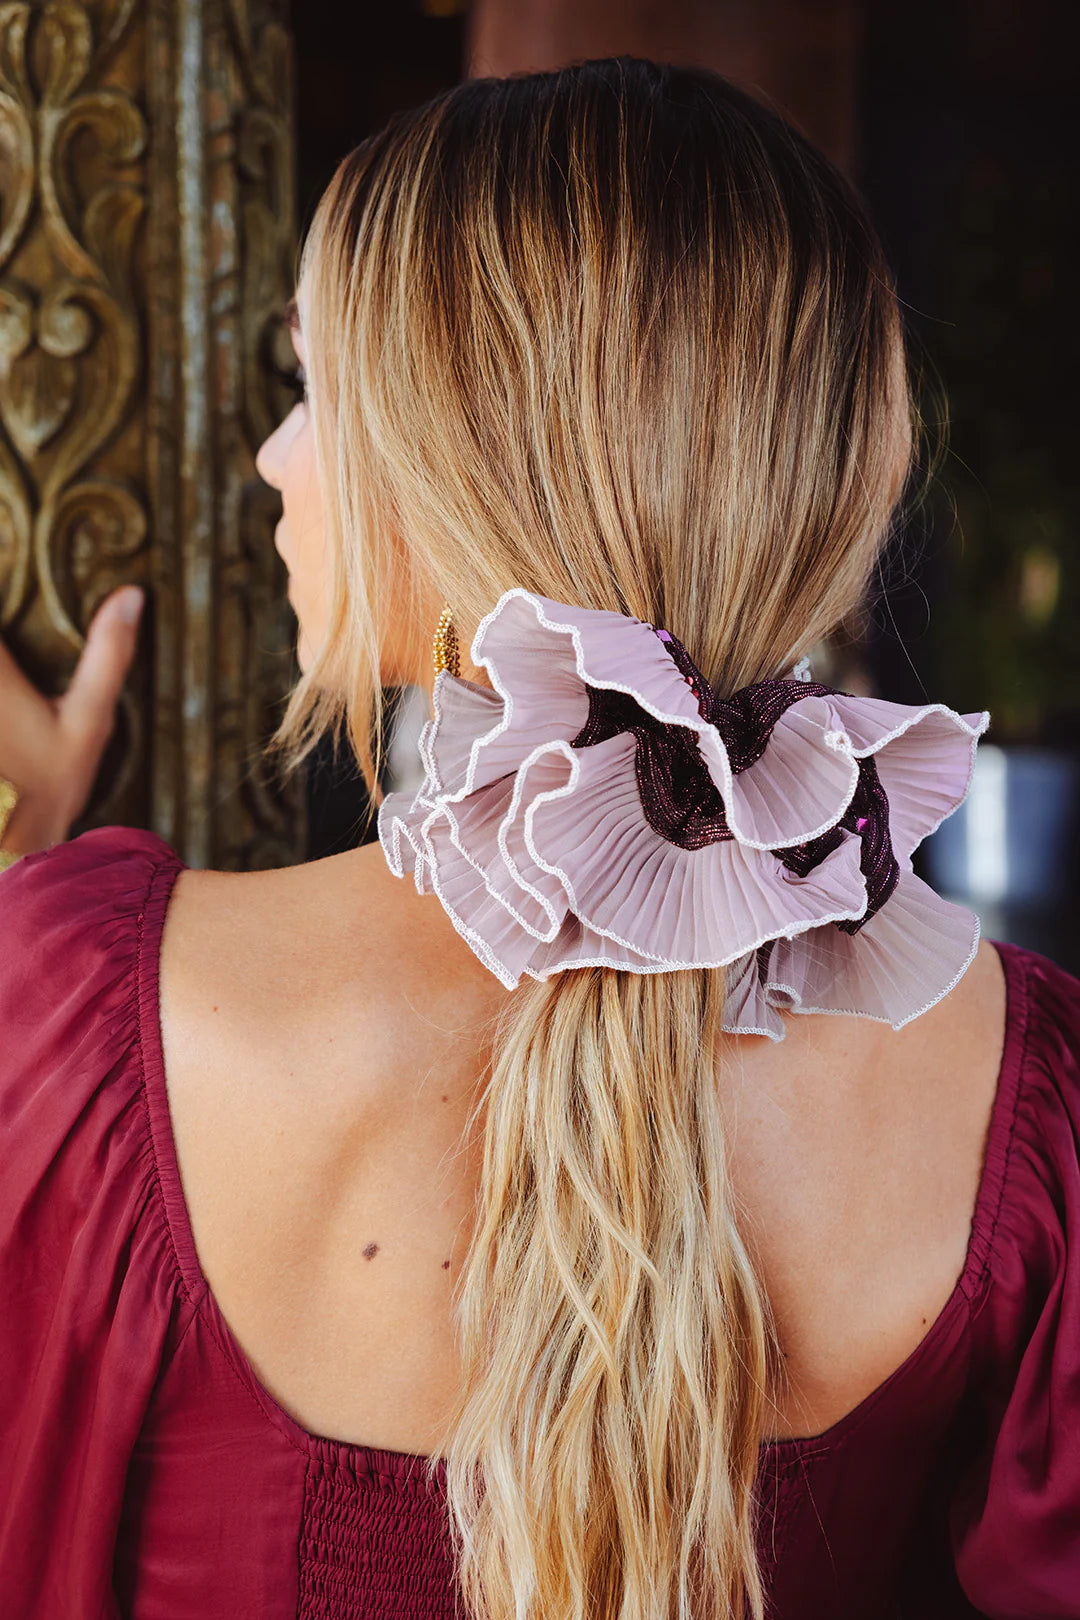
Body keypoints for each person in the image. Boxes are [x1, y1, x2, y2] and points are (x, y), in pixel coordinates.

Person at [1, 56, 1078, 1620]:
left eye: (315, 391)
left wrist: (26, 852)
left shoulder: (79, 1022)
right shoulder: (1025, 1097)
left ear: (449, 480)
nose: (276, 459)